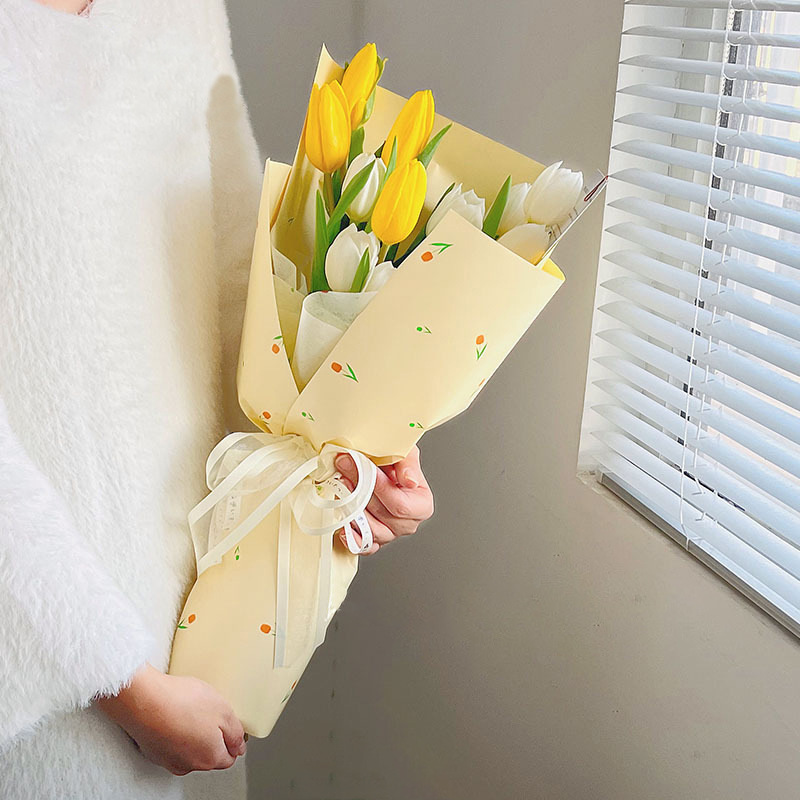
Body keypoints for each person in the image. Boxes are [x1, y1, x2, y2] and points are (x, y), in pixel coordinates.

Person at [0, 1, 435, 798]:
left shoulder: (183, 10)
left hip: (198, 613)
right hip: (47, 662)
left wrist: (344, 455)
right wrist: (120, 680)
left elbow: (239, 272)